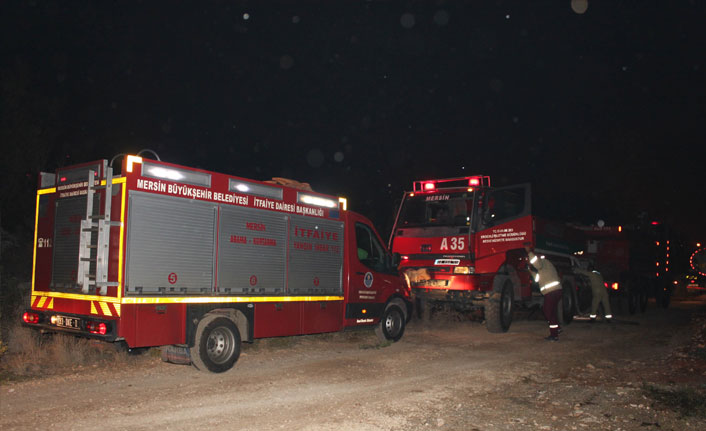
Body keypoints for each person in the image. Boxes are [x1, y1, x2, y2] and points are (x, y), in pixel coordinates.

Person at [526, 245, 563, 341]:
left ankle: (554, 336)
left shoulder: (542, 262)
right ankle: (557, 329)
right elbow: (538, 279)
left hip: (551, 292)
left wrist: (529, 252)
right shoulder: (545, 267)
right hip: (556, 291)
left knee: (547, 311)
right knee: (552, 311)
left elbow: (537, 264)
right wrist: (530, 272)